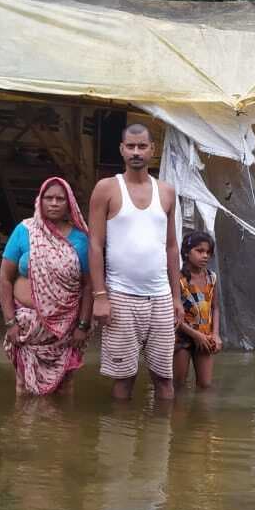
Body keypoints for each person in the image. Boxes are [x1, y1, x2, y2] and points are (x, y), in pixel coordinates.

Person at [88, 123, 184, 400]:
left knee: (165, 380)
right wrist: (100, 296)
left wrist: (176, 298)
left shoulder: (166, 192)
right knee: (123, 379)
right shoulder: (106, 188)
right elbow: (95, 245)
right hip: (120, 295)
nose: (136, 152)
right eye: (130, 146)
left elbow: (171, 246)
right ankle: (120, 439)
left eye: (142, 146)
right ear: (121, 149)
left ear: (153, 150)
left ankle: (161, 441)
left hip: (160, 297)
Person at [0, 177, 93, 395]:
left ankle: (61, 429)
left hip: (66, 329)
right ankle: (25, 428)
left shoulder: (81, 239)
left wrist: (82, 326)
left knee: (65, 386)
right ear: (39, 201)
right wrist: (10, 322)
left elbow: (88, 286)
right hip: (26, 326)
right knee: (22, 386)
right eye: (48, 198)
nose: (53, 203)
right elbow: (5, 278)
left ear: (69, 204)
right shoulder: (24, 231)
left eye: (60, 199)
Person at [174, 230, 222, 389]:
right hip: (181, 338)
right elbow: (173, 316)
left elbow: (215, 308)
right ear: (187, 252)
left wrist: (215, 334)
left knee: (205, 385)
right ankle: (176, 413)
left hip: (205, 337)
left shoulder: (211, 277)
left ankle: (202, 414)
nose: (205, 256)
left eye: (208, 252)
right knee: (178, 385)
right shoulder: (178, 280)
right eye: (199, 251)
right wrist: (195, 335)